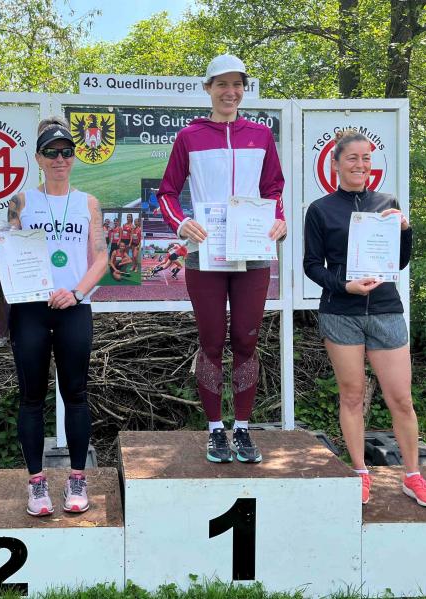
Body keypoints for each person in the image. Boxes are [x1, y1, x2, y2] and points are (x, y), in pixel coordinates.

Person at [0, 116, 108, 516]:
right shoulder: (20, 202)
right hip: (30, 309)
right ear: (38, 158)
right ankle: (36, 484)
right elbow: (8, 250)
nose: (60, 159)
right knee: (31, 397)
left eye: (66, 151)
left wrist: (77, 292)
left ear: (74, 157)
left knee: (76, 394)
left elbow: (100, 258)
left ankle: (77, 479)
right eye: (51, 152)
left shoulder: (88, 203)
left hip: (74, 307)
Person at [158, 54, 286, 464]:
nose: (230, 92)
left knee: (247, 340)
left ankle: (243, 428)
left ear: (244, 89)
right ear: (208, 88)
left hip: (252, 252)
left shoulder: (261, 135)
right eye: (222, 84)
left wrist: (279, 220)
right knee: (211, 342)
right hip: (206, 255)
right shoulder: (189, 136)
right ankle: (215, 429)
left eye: (237, 85)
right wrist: (182, 224)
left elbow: (274, 188)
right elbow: (167, 192)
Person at [303, 129, 426, 508]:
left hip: (385, 310)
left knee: (401, 399)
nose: (360, 164)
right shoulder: (320, 209)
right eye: (352, 158)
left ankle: (412, 476)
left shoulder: (387, 203)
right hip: (341, 313)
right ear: (335, 164)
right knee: (351, 396)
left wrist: (406, 231)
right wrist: (345, 286)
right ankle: (361, 472)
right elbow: (312, 265)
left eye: (366, 158)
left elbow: (399, 262)